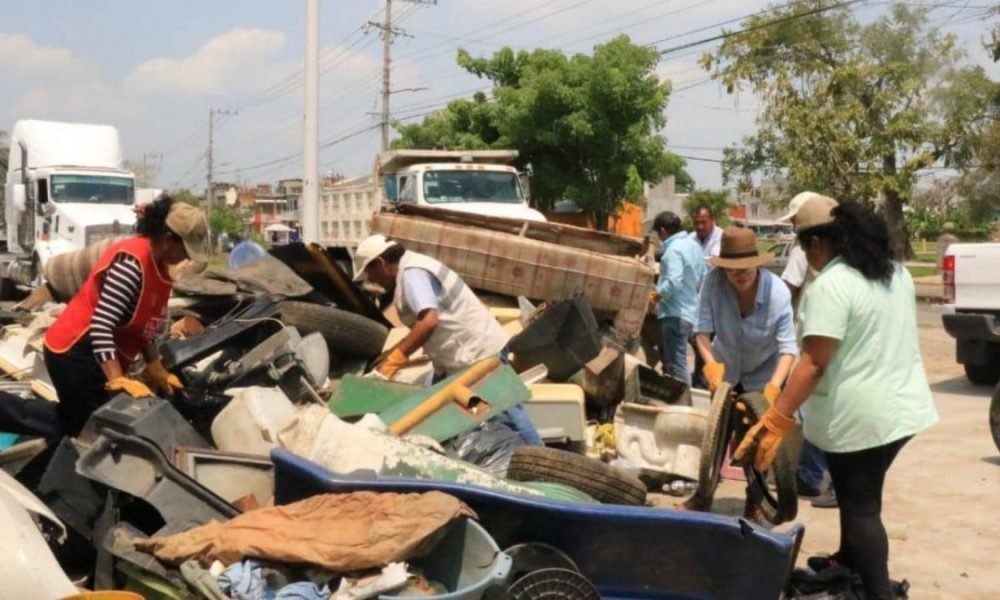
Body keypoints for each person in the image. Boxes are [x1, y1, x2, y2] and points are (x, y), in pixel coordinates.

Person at [734, 196, 938, 600]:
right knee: (856, 494)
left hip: (860, 419)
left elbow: (813, 363)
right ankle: (846, 562)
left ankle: (877, 593)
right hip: (903, 410)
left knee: (862, 509)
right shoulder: (895, 273)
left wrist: (776, 418)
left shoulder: (831, 285)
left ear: (816, 243)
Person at [352, 234, 542, 444]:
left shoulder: (412, 275)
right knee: (447, 409)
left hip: (477, 355)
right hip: (462, 356)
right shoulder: (415, 265)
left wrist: (393, 362)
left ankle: (540, 457)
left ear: (380, 263)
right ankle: (482, 444)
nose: (372, 280)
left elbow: (429, 321)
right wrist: (391, 353)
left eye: (370, 272)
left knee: (505, 412)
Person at [43, 195, 208, 436]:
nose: (187, 257)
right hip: (74, 351)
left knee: (82, 421)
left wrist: (154, 366)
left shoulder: (160, 269)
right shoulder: (131, 265)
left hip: (98, 354)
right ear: (168, 239)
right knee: (92, 427)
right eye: (185, 249)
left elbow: (145, 326)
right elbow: (101, 325)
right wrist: (117, 380)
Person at [779, 191, 836, 507]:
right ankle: (819, 474)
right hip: (825, 333)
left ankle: (812, 475)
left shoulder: (805, 251)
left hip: (814, 333)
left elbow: (785, 292)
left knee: (811, 406)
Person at [651, 211, 707, 384]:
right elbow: (703, 276)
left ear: (663, 231)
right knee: (684, 361)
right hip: (692, 311)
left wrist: (656, 297)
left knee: (676, 364)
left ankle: (684, 398)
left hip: (675, 314)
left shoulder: (673, 251)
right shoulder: (694, 246)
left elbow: (673, 282)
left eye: (658, 233)